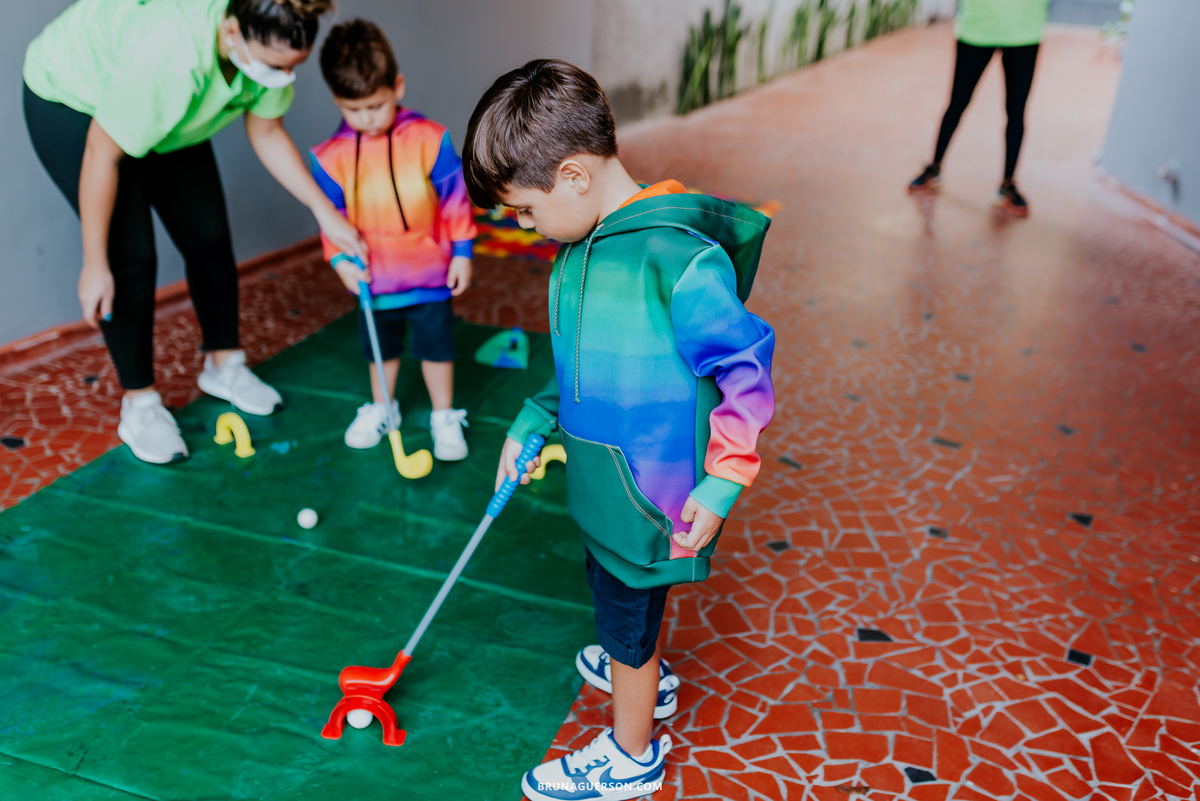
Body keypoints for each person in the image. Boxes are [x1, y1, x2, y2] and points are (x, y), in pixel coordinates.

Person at [463, 60, 775, 801]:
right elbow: (578, 358)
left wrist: (725, 476)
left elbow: (746, 369)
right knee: (614, 596)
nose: (524, 226)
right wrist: (538, 415)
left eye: (524, 210)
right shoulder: (579, 248)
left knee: (628, 618)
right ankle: (641, 666)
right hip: (604, 485)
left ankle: (632, 752)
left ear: (572, 175)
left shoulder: (676, 257)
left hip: (651, 496)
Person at [23, 0, 367, 464]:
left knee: (206, 233)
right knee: (132, 255)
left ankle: (225, 365)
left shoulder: (265, 43)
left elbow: (267, 132)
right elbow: (101, 154)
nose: (281, 81)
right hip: (75, 98)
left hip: (160, 110)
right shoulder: (170, 59)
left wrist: (325, 212)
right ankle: (140, 404)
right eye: (272, 67)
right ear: (230, 35)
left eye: (291, 70)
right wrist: (95, 263)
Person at [310, 20, 476, 460]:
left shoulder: (430, 138)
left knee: (437, 349)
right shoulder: (329, 158)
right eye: (354, 109)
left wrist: (462, 252)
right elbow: (331, 219)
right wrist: (340, 262)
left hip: (429, 273)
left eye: (376, 106)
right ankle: (384, 407)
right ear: (337, 101)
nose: (366, 119)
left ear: (397, 87)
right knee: (380, 350)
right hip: (374, 280)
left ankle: (444, 415)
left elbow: (455, 200)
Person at [908, 0, 1050, 217]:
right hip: (977, 29)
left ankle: (1007, 186)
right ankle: (934, 168)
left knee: (1016, 113)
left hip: (1024, 32)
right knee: (957, 104)